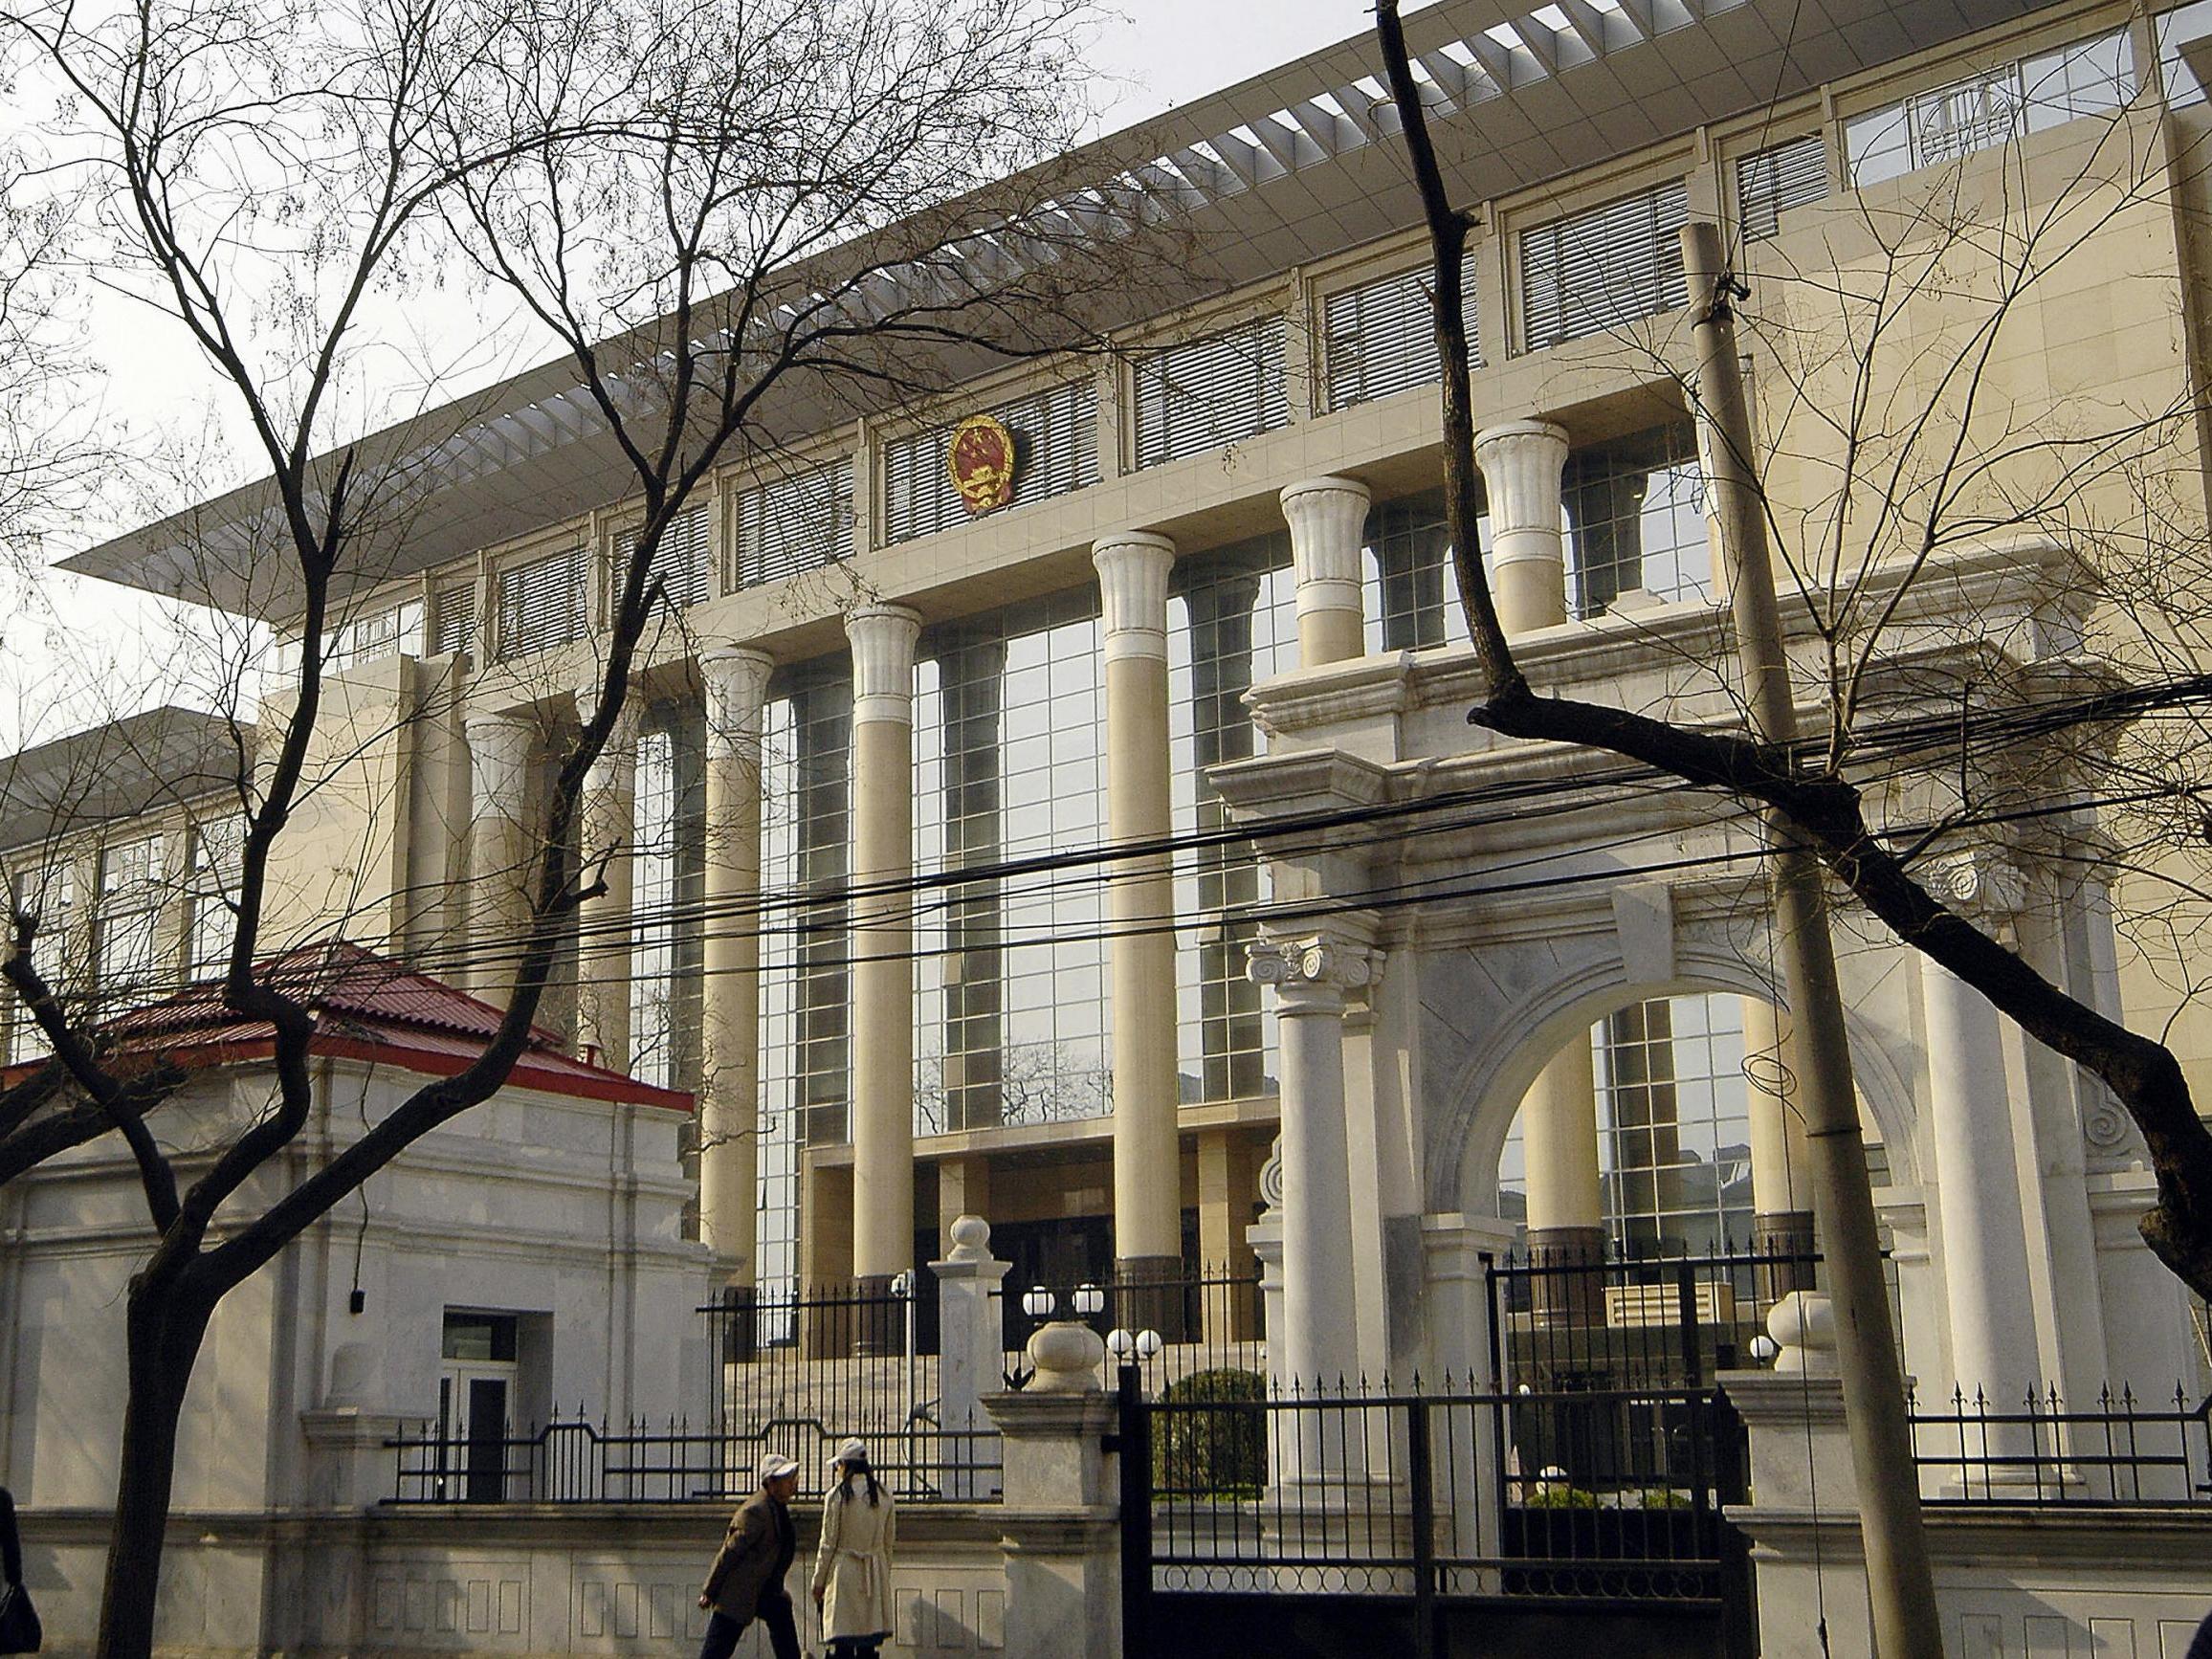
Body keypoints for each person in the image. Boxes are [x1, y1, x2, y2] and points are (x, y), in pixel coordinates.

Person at [697, 1453, 802, 1659]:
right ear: (771, 1483)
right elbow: (730, 1552)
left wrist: (777, 1586)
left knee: (781, 1613)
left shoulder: (777, 1507)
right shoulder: (756, 1511)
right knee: (716, 1650)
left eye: (792, 1477)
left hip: (764, 1589)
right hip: (739, 1591)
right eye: (787, 1478)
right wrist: (710, 1590)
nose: (792, 1483)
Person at [811, 1439, 896, 1659]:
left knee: (844, 1642)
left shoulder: (837, 1497)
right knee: (868, 1642)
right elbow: (888, 1543)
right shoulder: (884, 1495)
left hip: (843, 1575)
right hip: (873, 1574)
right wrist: (883, 1575)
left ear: (844, 1466)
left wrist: (818, 1581)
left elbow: (828, 1543)